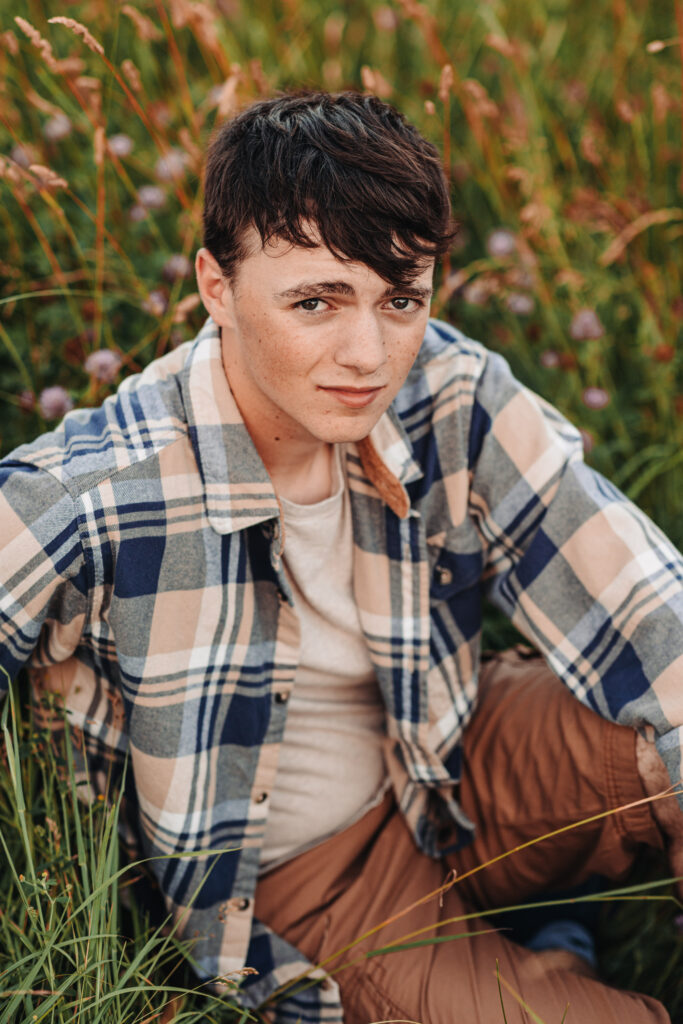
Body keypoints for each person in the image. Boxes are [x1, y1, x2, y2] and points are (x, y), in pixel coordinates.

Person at [1, 91, 681, 1024]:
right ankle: (545, 946)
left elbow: (641, 600)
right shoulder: (92, 493)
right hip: (301, 880)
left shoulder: (446, 383)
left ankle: (535, 933)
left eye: (398, 298)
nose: (367, 354)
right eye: (315, 301)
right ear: (214, 285)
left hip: (444, 754)